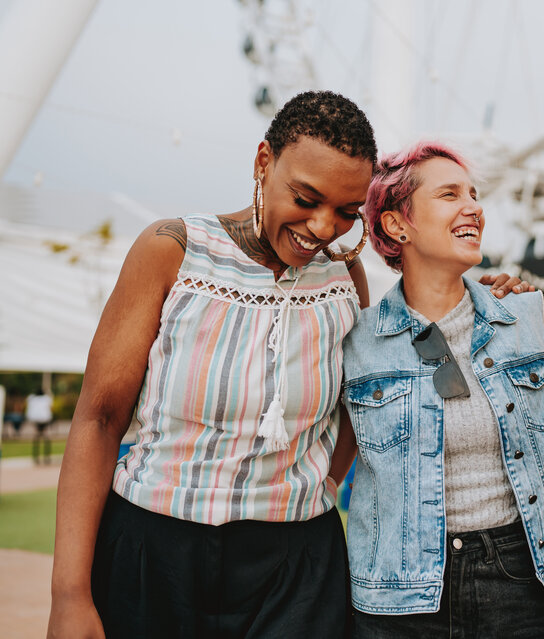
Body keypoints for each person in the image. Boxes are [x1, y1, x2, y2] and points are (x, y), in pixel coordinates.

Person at [48, 91, 383, 639]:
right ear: (263, 162)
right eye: (306, 197)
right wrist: (69, 596)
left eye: (347, 212)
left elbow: (358, 405)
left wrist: (318, 487)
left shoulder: (346, 281)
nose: (324, 228)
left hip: (297, 573)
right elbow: (99, 419)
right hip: (152, 560)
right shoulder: (172, 251)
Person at [341, 141, 544, 639]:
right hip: (397, 593)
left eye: (473, 194)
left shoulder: (531, 317)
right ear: (396, 225)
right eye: (449, 195)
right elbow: (330, 467)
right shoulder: (356, 343)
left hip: (516, 579)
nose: (474, 207)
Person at [26, 388, 54, 465]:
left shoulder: (31, 398)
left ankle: (36, 457)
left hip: (35, 419)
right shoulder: (47, 398)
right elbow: (50, 407)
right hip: (44, 419)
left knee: (37, 437)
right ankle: (46, 457)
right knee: (46, 438)